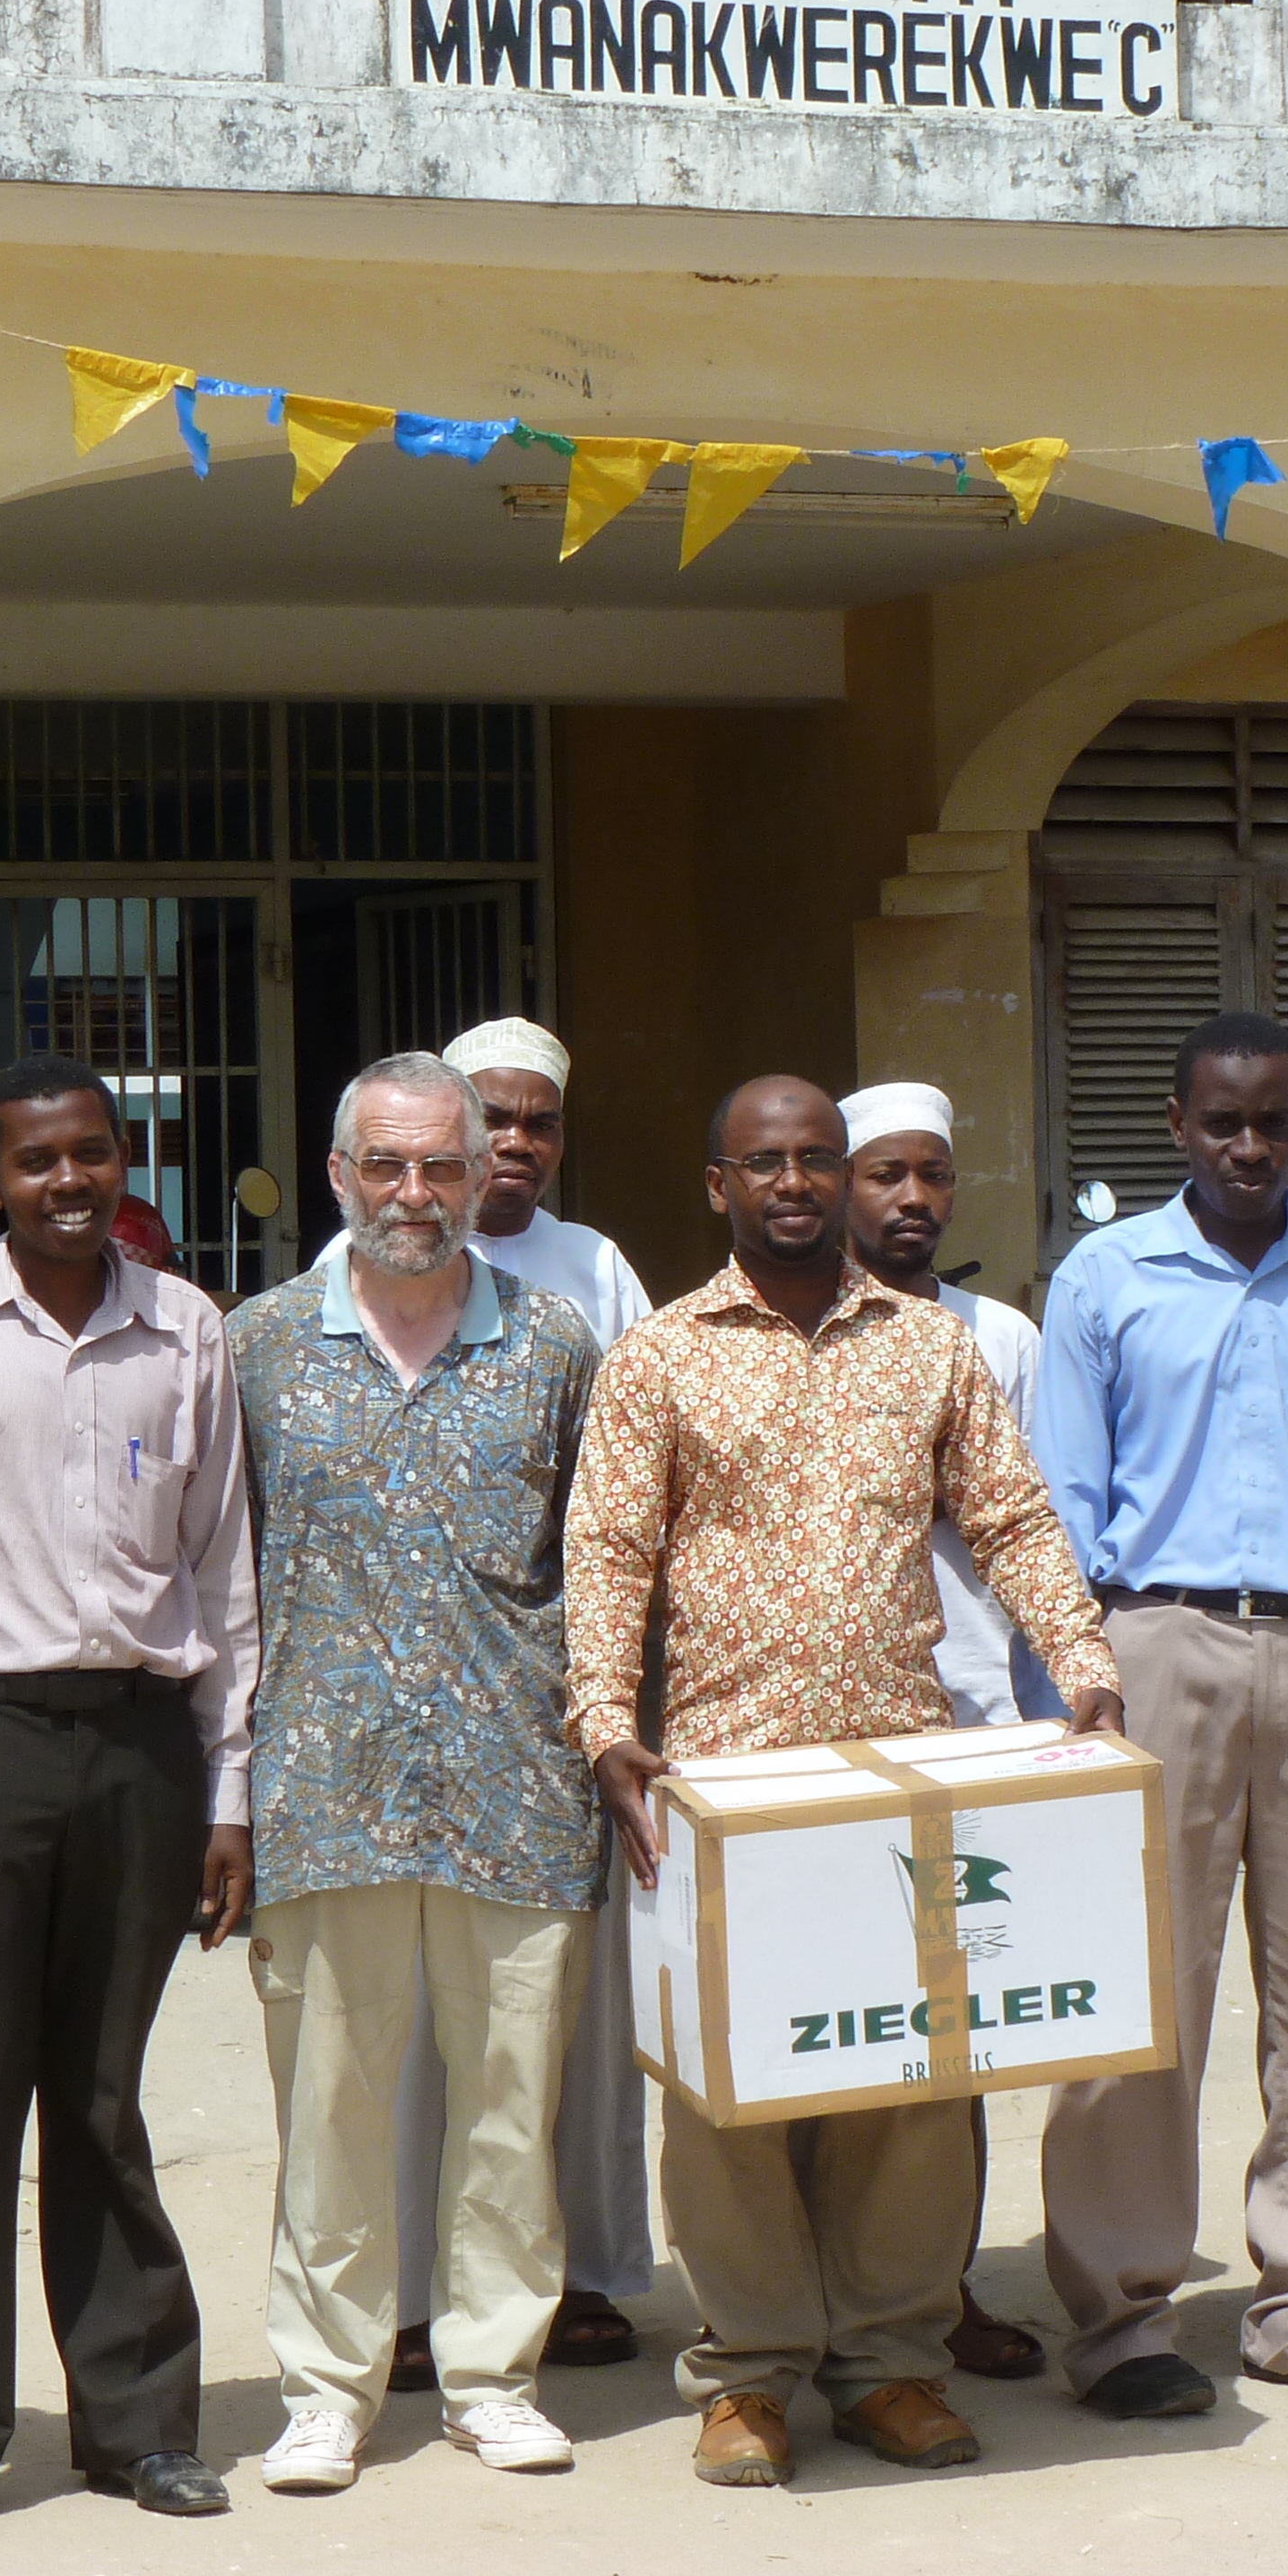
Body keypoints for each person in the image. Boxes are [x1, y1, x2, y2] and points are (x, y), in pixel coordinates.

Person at [566, 1075, 1124, 2488]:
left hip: (897, 1770)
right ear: (719, 1186)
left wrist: (1082, 1659)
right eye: (767, 1162)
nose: (799, 1183)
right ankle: (748, 2376)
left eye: (821, 1158)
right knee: (731, 2095)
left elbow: (1007, 1513)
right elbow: (611, 1552)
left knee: (906, 2074)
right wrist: (600, 1723)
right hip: (723, 1779)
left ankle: (889, 2364)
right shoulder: (660, 1359)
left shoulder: (929, 1348)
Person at [0, 1051, 260, 2537]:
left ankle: (138, 2421)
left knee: (100, 2097)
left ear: (119, 1160)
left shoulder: (186, 1334)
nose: (70, 1182)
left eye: (93, 1153)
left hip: (140, 1749)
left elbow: (223, 1573)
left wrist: (230, 1793)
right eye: (37, 1161)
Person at [1034, 1016, 1288, 2417]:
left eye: (1274, 1121)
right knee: (1142, 1987)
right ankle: (1121, 2319)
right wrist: (1076, 1693)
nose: (1250, 1147)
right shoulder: (1105, 1277)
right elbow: (1064, 1507)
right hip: (1158, 1645)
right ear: (1176, 1124)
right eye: (1223, 1122)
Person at [229, 1054, 609, 2493]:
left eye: (441, 1167)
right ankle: (327, 2385)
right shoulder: (260, 1347)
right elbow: (221, 1578)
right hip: (323, 1791)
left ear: (479, 1178)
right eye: (385, 1166)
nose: (415, 1194)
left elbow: (603, 1561)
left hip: (516, 1785)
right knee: (329, 2102)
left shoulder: (557, 1344)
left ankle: (493, 2373)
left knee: (511, 2102)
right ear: (336, 1176)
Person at [323, 1016, 657, 2387]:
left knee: (554, 2031)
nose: (508, 1150)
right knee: (395, 2036)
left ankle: (572, 2279)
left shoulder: (593, 1280)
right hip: (378, 1721)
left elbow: (629, 1492)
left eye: (532, 1126)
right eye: (488, 1126)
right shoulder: (329, 1288)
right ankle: (402, 2295)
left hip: (542, 1706)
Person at [840, 1077, 1055, 2386]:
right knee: (821, 2007)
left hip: (970, 1712)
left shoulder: (1001, 1339)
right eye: (887, 1176)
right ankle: (798, 2293)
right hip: (812, 1725)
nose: (913, 1200)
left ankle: (939, 2282)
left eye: (932, 1176)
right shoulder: (778, 1334)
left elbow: (1032, 1524)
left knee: (945, 2021)